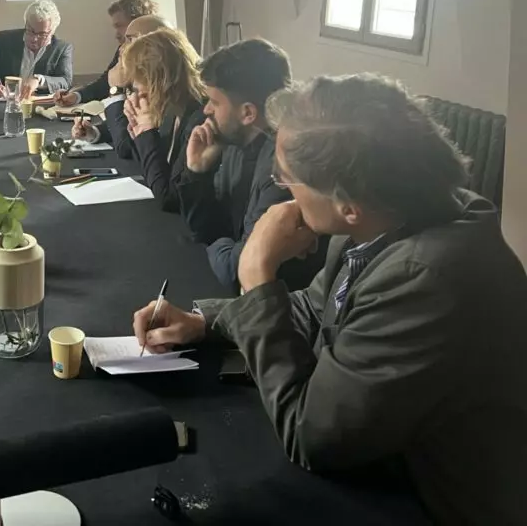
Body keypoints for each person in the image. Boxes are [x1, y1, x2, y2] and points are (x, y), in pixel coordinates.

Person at [132, 74, 527, 526]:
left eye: (287, 177)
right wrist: (205, 322)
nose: (282, 188)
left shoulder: (428, 278)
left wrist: (256, 275)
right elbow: (316, 309)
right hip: (383, 460)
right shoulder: (384, 218)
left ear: (348, 206)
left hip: (429, 500)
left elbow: (310, 437)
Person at [176, 38, 319, 291]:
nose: (206, 110)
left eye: (214, 102)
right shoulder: (233, 143)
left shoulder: (283, 169)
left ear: (248, 113)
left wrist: (216, 244)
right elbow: (204, 229)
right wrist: (198, 172)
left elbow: (237, 268)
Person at [108, 28, 204, 211]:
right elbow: (150, 173)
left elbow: (169, 197)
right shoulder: (172, 111)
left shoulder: (199, 118)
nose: (136, 88)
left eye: (139, 80)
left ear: (159, 78)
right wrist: (139, 133)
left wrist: (146, 132)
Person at [72, 14, 169, 160]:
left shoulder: (167, 90)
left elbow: (128, 149)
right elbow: (133, 126)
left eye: (130, 40)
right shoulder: (148, 80)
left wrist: (116, 92)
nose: (122, 48)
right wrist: (95, 132)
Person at [55, 0, 157, 107]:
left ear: (138, 22)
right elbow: (105, 83)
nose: (116, 35)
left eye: (119, 26)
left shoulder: (156, 58)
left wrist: (116, 92)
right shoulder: (123, 48)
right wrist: (77, 96)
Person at [0, 0, 73, 99]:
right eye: (30, 31)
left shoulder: (62, 48)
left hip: (37, 106)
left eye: (42, 34)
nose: (34, 39)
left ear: (52, 32)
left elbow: (65, 81)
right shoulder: (5, 39)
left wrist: (39, 80)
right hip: (3, 103)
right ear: (26, 23)